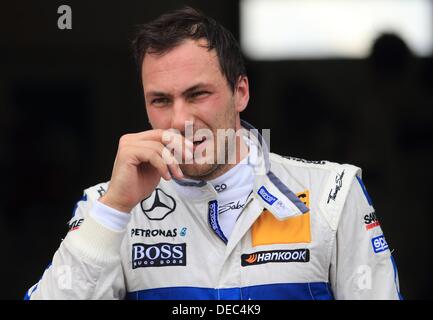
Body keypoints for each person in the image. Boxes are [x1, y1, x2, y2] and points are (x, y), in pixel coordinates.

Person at [25, 7, 402, 300]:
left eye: (197, 94)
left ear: (241, 93)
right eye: (160, 100)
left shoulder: (331, 193)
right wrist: (114, 210)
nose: (180, 119)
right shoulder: (108, 206)